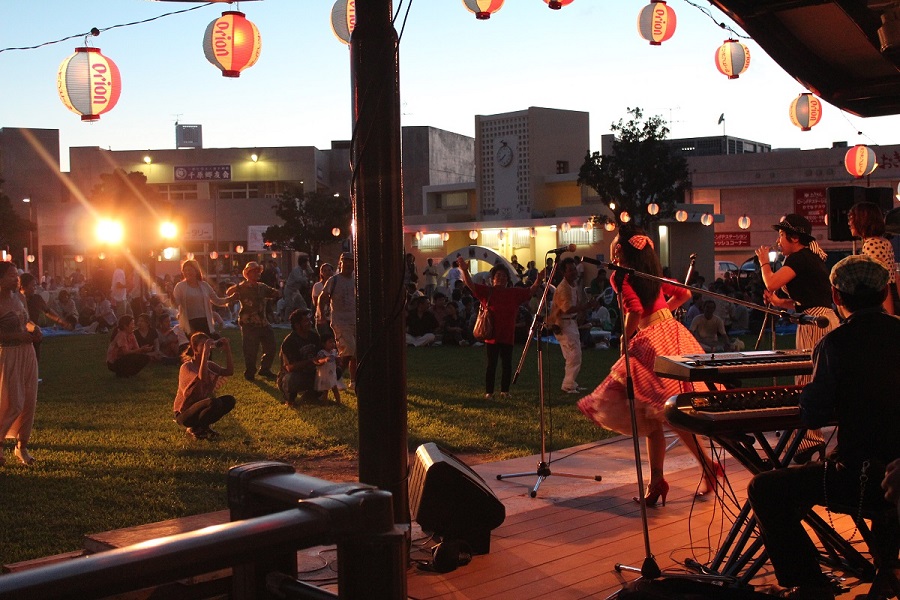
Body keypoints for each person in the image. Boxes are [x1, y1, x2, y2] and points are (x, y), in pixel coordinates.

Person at [748, 255, 900, 600]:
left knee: (765, 487)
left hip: (858, 480)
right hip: (895, 475)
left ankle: (811, 584)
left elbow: (813, 415)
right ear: (884, 291)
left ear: (836, 296)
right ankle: (888, 568)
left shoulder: (834, 344)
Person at [577, 225, 721, 507]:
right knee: (656, 412)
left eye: (615, 243)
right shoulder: (648, 274)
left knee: (662, 411)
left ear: (619, 251)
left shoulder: (620, 276)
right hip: (672, 331)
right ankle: (660, 480)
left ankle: (697, 469)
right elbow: (684, 295)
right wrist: (664, 309)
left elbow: (635, 310)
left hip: (652, 340)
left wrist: (625, 337)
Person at [755, 214, 840, 462]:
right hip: (814, 318)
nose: (778, 241)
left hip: (816, 323)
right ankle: (806, 440)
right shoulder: (806, 259)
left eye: (781, 235)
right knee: (809, 376)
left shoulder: (800, 258)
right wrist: (779, 303)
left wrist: (763, 263)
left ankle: (808, 441)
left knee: (806, 378)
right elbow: (801, 301)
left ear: (794, 237)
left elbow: (771, 281)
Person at [457, 256, 543, 399]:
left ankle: (505, 391)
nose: (501, 278)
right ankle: (489, 392)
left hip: (508, 334)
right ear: (493, 279)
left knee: (507, 365)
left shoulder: (514, 293)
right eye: (498, 276)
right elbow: (471, 285)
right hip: (491, 335)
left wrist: (538, 280)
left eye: (503, 276)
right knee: (491, 365)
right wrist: (465, 271)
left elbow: (530, 291)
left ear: (508, 279)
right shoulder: (487, 291)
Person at [0, 262, 41, 465]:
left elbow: (26, 321)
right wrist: (18, 337)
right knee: (12, 402)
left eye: (17, 275)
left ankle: (22, 447)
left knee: (28, 401)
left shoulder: (20, 298)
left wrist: (34, 328)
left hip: (27, 354)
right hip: (8, 354)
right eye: (11, 275)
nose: (16, 279)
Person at [172, 332, 236, 440]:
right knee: (214, 402)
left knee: (229, 400)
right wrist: (205, 354)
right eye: (203, 345)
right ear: (195, 348)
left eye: (208, 346)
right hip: (184, 413)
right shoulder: (187, 367)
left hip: (201, 406)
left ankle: (203, 427)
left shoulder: (209, 365)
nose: (207, 348)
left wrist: (227, 350)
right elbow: (202, 378)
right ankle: (194, 428)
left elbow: (229, 371)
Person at [547, 257, 597, 393]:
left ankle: (571, 383)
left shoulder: (572, 285)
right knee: (574, 354)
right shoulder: (564, 288)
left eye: (574, 269)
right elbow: (567, 309)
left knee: (572, 355)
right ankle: (568, 384)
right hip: (564, 323)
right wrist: (586, 306)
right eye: (570, 270)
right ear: (564, 273)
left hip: (570, 322)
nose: (574, 272)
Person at [227, 261, 281, 381]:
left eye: (258, 271)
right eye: (254, 271)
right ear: (247, 273)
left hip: (263, 322)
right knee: (250, 350)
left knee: (271, 346)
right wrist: (237, 289)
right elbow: (228, 292)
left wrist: (277, 291)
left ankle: (265, 369)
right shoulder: (242, 287)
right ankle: (250, 372)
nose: (257, 273)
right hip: (249, 323)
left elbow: (275, 293)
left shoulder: (262, 287)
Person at [849, 201, 896, 314]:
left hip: (883, 302)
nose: (849, 223)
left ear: (863, 220)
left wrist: (889, 315)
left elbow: (881, 282)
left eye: (852, 218)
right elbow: (894, 277)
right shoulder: (882, 241)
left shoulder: (872, 244)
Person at [319, 252, 357, 390]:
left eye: (351, 263)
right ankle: (335, 377)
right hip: (340, 321)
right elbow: (322, 297)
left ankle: (353, 381)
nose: (348, 266)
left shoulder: (355, 280)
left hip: (354, 320)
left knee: (355, 352)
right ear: (340, 264)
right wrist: (322, 315)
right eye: (345, 263)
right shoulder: (333, 280)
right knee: (349, 349)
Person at [171, 259, 232, 338]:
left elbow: (217, 300)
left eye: (189, 270)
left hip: (204, 321)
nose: (187, 272)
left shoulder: (204, 285)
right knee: (195, 346)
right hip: (189, 323)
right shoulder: (180, 286)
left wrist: (231, 298)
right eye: (185, 270)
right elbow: (176, 303)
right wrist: (171, 294)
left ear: (196, 271)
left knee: (206, 345)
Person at [278, 308, 324, 406]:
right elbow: (290, 367)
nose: (310, 323)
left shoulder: (314, 337)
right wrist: (311, 361)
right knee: (291, 379)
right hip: (294, 375)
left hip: (311, 373)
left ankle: (310, 396)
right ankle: (289, 399)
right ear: (297, 325)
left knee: (333, 371)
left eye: (310, 320)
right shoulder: (289, 341)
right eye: (306, 321)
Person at [315, 337, 343, 403]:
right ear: (323, 344)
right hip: (324, 374)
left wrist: (339, 360)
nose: (332, 344)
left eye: (333, 342)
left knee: (335, 388)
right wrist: (324, 360)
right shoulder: (322, 352)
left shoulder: (334, 352)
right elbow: (318, 361)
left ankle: (338, 402)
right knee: (325, 390)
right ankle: (325, 402)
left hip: (332, 373)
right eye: (330, 342)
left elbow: (336, 360)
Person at [311, 262, 334, 339]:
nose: (327, 272)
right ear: (321, 273)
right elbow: (316, 302)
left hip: (334, 317)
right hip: (322, 317)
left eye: (329, 270)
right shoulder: (317, 286)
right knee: (326, 339)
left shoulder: (336, 284)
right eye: (325, 270)